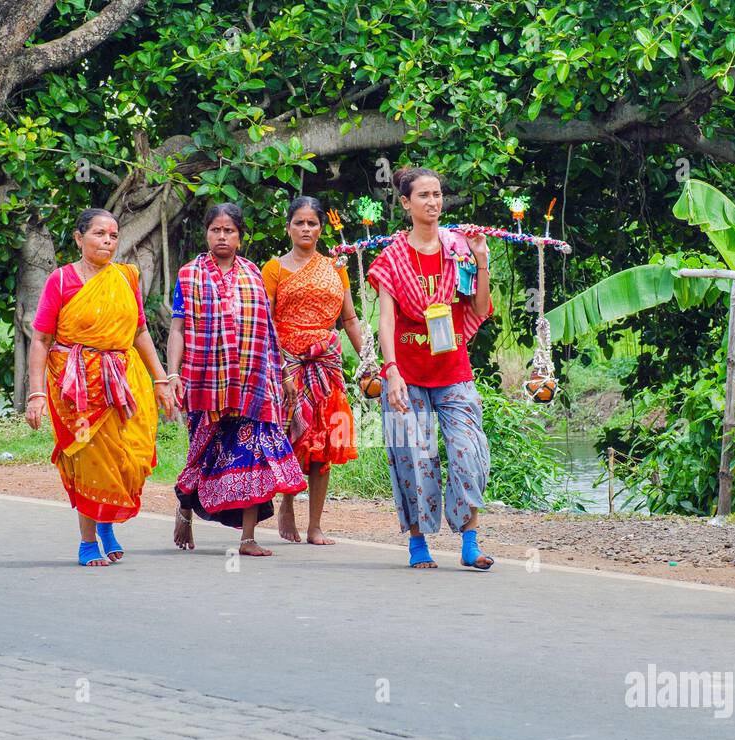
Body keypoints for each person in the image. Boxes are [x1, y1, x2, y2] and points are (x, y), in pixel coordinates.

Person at [25, 207, 173, 567]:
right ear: (79, 238)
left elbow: (139, 331)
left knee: (129, 459)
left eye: (113, 235)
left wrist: (161, 379)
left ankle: (107, 522)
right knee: (88, 461)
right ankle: (88, 541)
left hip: (123, 380)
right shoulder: (61, 281)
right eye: (98, 234)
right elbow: (41, 339)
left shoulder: (125, 279)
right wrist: (36, 393)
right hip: (74, 386)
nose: (107, 241)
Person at [368, 166, 495, 570]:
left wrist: (481, 260)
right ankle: (418, 544)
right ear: (405, 203)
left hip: (454, 369)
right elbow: (385, 321)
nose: (433, 203)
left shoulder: (458, 250)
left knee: (468, 451)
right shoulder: (391, 259)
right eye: (423, 195)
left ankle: (470, 541)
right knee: (412, 456)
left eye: (438, 194)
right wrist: (390, 371)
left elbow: (478, 308)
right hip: (406, 373)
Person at [166, 203, 307, 557]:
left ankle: (247, 538)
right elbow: (178, 330)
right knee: (203, 454)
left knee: (253, 454)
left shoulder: (253, 275)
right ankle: (185, 506)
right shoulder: (188, 275)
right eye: (216, 230)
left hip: (252, 383)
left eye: (229, 231)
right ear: (206, 234)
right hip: (203, 383)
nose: (222, 236)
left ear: (240, 238)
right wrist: (173, 374)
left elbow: (266, 330)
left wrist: (285, 375)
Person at [263, 196, 369, 545]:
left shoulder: (336, 266)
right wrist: (281, 368)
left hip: (326, 366)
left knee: (323, 444)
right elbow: (266, 323)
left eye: (312, 223)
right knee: (293, 438)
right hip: (288, 364)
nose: (305, 229)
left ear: (321, 228)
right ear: (289, 227)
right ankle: (288, 502)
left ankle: (316, 525)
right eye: (299, 222)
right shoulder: (274, 269)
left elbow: (349, 318)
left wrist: (369, 361)